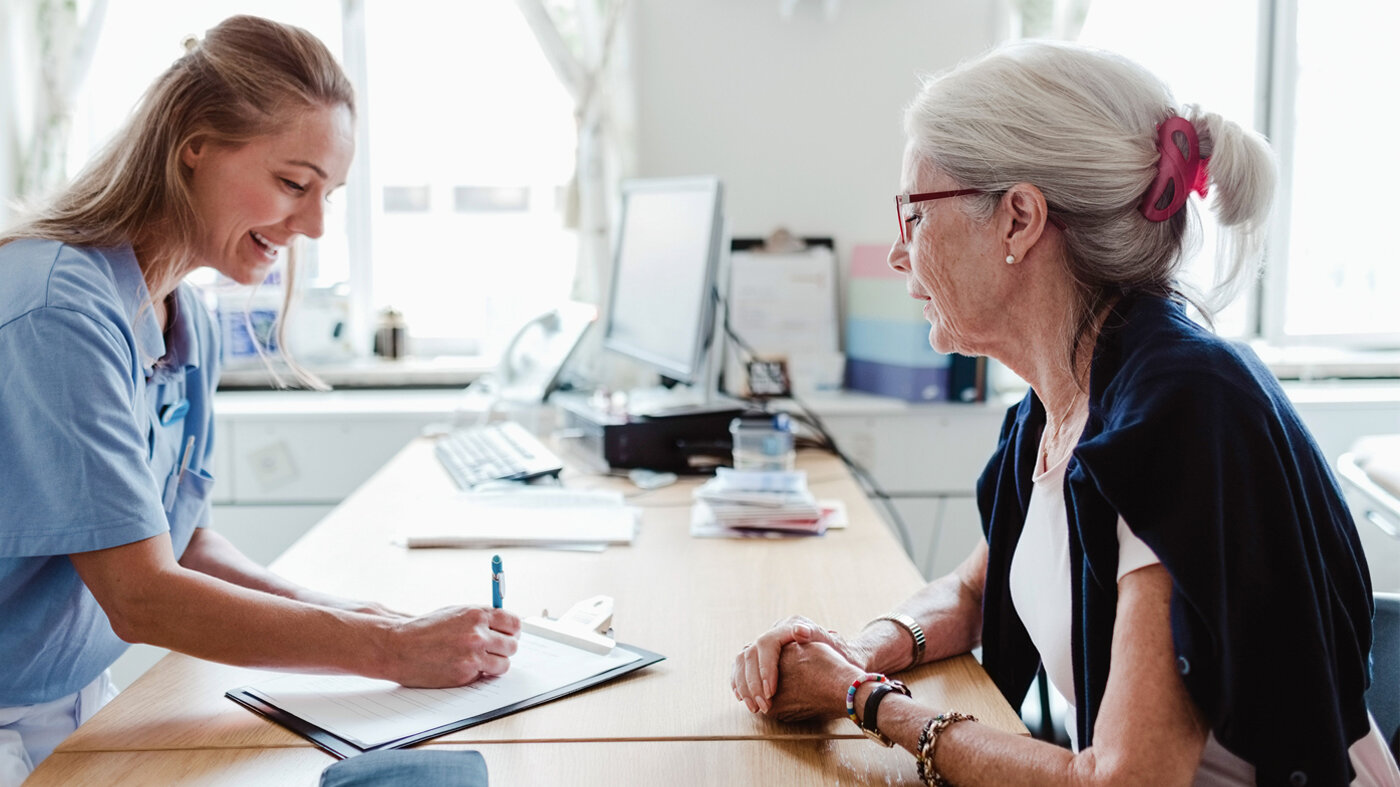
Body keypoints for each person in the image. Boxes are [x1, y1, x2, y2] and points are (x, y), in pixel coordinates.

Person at [731, 41, 1400, 786]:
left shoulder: (1180, 410)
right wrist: (853, 648)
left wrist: (862, 698)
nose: (897, 252)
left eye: (913, 214)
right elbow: (973, 590)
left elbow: (1124, 779)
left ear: (1018, 219)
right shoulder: (1061, 396)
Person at [0, 16, 520, 783]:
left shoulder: (186, 318)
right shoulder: (59, 310)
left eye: (327, 195)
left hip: (68, 695)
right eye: (292, 183)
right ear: (194, 147)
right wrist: (388, 650)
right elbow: (143, 595)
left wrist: (365, 618)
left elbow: (183, 541)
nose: (311, 224)